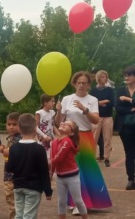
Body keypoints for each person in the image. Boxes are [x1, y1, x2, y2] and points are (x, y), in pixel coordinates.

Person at [55, 71, 112, 214]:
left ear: (88, 85)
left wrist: (84, 109)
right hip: (69, 137)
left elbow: (95, 120)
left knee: (85, 169)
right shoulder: (67, 99)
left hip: (85, 137)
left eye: (84, 83)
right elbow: (58, 122)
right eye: (78, 82)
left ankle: (82, 203)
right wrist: (58, 111)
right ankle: (74, 202)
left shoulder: (92, 99)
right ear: (74, 83)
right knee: (71, 170)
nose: (81, 85)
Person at [6, 113, 53, 219]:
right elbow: (44, 172)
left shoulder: (13, 148)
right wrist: (48, 190)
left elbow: (9, 168)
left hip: (18, 186)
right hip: (33, 188)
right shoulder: (39, 149)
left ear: (19, 129)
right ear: (35, 129)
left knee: (19, 214)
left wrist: (10, 181)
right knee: (29, 216)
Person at [50, 121, 88, 219]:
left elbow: (58, 158)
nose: (62, 123)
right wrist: (51, 173)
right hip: (60, 177)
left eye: (67, 125)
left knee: (78, 201)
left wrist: (46, 163)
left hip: (72, 176)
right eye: (63, 122)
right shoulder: (54, 143)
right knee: (61, 201)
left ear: (71, 133)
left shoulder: (67, 141)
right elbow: (54, 159)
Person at [115, 65, 135, 190]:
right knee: (129, 153)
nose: (126, 77)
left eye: (129, 75)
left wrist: (128, 100)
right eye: (125, 75)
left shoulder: (125, 95)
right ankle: (131, 179)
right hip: (125, 126)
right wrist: (131, 110)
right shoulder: (121, 90)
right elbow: (118, 107)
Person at [90, 70, 115, 167]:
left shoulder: (110, 90)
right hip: (96, 117)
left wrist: (99, 102)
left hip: (107, 117)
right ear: (98, 78)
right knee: (93, 138)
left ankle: (107, 158)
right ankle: (91, 158)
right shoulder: (93, 91)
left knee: (107, 138)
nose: (105, 79)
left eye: (106, 77)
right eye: (102, 77)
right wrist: (102, 102)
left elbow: (112, 103)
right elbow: (91, 103)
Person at [2, 112, 21, 219]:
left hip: (15, 174)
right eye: (9, 124)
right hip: (8, 173)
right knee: (10, 198)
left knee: (13, 198)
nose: (11, 127)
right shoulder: (10, 138)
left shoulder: (20, 138)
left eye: (14, 124)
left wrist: (3, 150)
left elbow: (12, 152)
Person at [35, 94, 56, 159]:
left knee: (51, 157)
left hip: (51, 138)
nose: (54, 103)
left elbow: (53, 125)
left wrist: (59, 135)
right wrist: (45, 136)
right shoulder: (39, 113)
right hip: (43, 139)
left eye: (54, 101)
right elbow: (35, 127)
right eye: (52, 101)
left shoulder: (52, 112)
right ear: (45, 103)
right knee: (43, 157)